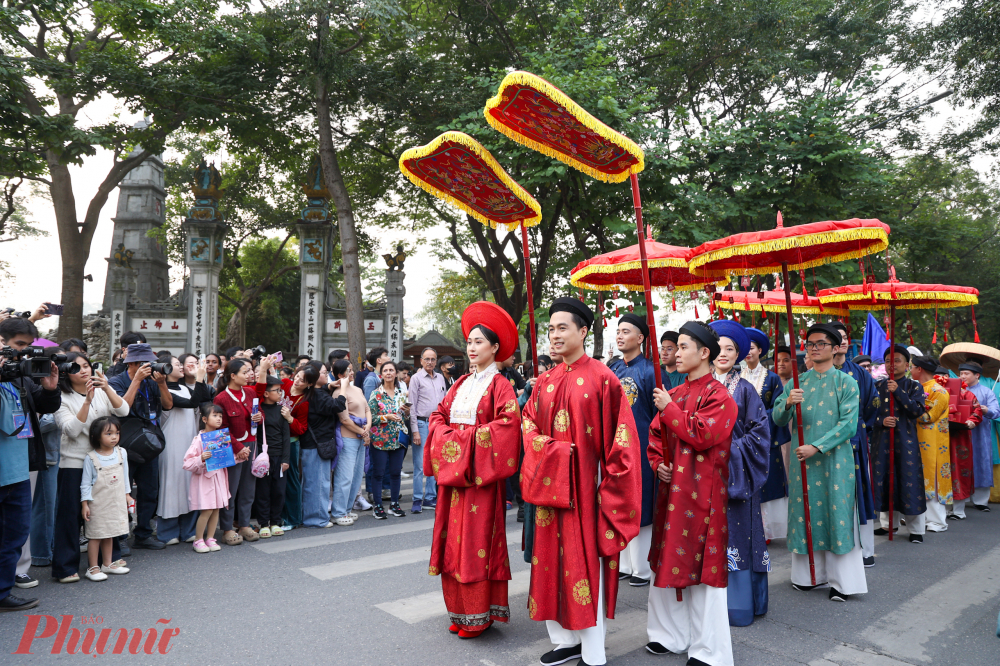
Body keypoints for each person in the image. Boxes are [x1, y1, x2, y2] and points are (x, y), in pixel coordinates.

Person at [522, 297, 640, 666]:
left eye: (562, 328)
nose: (554, 335)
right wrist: (551, 450)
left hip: (587, 496)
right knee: (550, 567)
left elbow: (622, 443)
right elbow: (527, 424)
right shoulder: (544, 381)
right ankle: (565, 640)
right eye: (550, 328)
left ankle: (592, 649)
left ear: (583, 332)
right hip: (549, 493)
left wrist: (609, 495)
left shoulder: (603, 379)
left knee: (583, 567)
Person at [425, 302, 521, 638]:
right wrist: (452, 439)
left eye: (479, 341)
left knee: (476, 544)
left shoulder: (500, 386)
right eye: (469, 341)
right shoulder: (460, 383)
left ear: (495, 348)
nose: (471, 347)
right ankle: (460, 611)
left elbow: (508, 427)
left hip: (480, 479)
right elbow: (437, 416)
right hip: (455, 480)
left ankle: (479, 615)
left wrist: (462, 443)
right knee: (453, 543)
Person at [645, 320, 735, 665]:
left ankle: (710, 651)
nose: (676, 353)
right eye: (676, 346)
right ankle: (669, 636)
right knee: (666, 562)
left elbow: (702, 435)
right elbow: (656, 437)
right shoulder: (676, 392)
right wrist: (658, 465)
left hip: (703, 496)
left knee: (704, 573)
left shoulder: (720, 396)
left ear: (704, 352)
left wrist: (668, 408)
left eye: (683, 346)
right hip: (672, 493)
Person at [773, 323, 866, 602]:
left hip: (834, 460)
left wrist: (817, 446)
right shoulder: (797, 382)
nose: (814, 348)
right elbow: (777, 418)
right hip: (802, 463)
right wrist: (788, 401)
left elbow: (849, 425)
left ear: (835, 348)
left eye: (821, 343)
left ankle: (842, 583)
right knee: (805, 514)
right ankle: (808, 577)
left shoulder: (846, 382)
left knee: (836, 514)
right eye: (810, 344)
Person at [706, 320, 770, 627]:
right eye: (718, 347)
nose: (723, 353)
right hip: (703, 475)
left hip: (736, 475)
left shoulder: (745, 390)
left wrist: (728, 449)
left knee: (738, 535)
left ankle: (739, 606)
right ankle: (704, 608)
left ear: (739, 354)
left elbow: (760, 432)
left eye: (730, 348)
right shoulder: (697, 386)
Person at [52, 351, 129, 584]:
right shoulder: (61, 397)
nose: (84, 370)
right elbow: (71, 430)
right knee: (71, 516)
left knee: (106, 511)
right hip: (74, 463)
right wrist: (86, 401)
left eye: (86, 365)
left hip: (106, 462)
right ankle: (65, 567)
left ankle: (108, 560)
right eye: (77, 368)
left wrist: (106, 388)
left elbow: (123, 411)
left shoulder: (102, 390)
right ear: (66, 373)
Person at [0, 317, 61, 611]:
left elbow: (46, 406)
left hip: (18, 471)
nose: (24, 353)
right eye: (18, 345)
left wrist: (49, 388)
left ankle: (2, 592)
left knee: (13, 536)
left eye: (28, 346)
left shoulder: (22, 377)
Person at [607, 313, 658, 588]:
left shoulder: (650, 371)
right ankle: (624, 563)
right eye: (618, 331)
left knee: (643, 504)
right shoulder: (613, 370)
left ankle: (642, 567)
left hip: (642, 448)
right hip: (617, 447)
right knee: (621, 501)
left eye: (626, 331)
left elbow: (656, 414)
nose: (620, 335)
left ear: (640, 338)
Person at [107, 343, 174, 550]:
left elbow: (168, 405)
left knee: (149, 490)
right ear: (133, 364)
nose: (149, 366)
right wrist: (136, 381)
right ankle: (119, 538)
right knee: (121, 491)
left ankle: (143, 534)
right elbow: (121, 409)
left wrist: (162, 384)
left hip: (149, 443)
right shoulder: (116, 381)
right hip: (125, 443)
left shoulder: (153, 381)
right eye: (145, 363)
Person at [830, 322, 879, 567]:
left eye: (845, 336)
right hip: (824, 442)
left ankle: (865, 550)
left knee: (859, 493)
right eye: (838, 337)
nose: (844, 340)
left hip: (855, 442)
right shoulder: (818, 373)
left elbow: (872, 405)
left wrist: (861, 429)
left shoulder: (859, 373)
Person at [871, 345, 927, 543]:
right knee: (884, 481)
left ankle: (916, 530)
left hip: (906, 442)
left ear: (906, 364)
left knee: (908, 482)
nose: (891, 364)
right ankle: (888, 525)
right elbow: (868, 415)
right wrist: (881, 421)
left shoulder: (914, 386)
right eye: (888, 360)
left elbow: (917, 411)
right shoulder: (877, 386)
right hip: (882, 442)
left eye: (896, 360)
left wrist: (898, 393)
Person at [741, 327, 790, 543]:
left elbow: (777, 407)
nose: (748, 352)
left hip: (764, 437)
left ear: (760, 350)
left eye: (752, 348)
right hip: (741, 438)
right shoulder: (736, 377)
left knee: (767, 482)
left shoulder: (772, 379)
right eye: (745, 348)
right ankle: (746, 526)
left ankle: (766, 530)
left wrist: (758, 420)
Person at [156, 355, 210, 546]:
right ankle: (167, 531)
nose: (181, 367)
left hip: (190, 441)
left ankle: (189, 530)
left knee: (190, 484)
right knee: (171, 485)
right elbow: (191, 403)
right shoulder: (161, 389)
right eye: (177, 364)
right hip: (171, 442)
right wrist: (200, 379)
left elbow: (201, 401)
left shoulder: (186, 388)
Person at [212, 358, 262, 545]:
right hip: (232, 448)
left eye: (251, 371)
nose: (250, 374)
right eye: (245, 372)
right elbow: (220, 429)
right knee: (230, 490)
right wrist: (239, 448)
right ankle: (226, 529)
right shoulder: (221, 398)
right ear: (232, 376)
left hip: (251, 445)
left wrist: (259, 417)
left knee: (248, 489)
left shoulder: (250, 392)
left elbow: (259, 415)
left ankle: (244, 525)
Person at [80, 416, 132, 582]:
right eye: (109, 433)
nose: (114, 437)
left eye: (116, 433)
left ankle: (107, 563)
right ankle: (93, 567)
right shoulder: (91, 457)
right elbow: (85, 483)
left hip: (115, 499)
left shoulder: (121, 452)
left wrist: (127, 495)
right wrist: (85, 504)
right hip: (98, 503)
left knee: (110, 532)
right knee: (96, 534)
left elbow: (125, 476)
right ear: (96, 436)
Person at [300, 366, 347, 528]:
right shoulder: (317, 395)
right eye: (323, 373)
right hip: (316, 444)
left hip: (314, 444)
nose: (327, 375)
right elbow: (337, 406)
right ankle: (316, 519)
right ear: (313, 377)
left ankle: (313, 516)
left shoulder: (314, 392)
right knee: (318, 483)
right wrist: (344, 390)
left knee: (316, 482)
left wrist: (329, 386)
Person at [910, 356, 952, 532]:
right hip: (917, 439)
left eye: (912, 367)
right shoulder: (917, 388)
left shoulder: (939, 391)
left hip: (933, 441)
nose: (909, 370)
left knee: (932, 477)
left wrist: (907, 407)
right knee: (918, 477)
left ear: (920, 369)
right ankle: (920, 517)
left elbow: (928, 417)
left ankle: (937, 521)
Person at [183, 404, 231, 553]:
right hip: (205, 480)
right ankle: (198, 539)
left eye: (220, 416)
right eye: (215, 416)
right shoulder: (199, 439)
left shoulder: (221, 437)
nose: (218, 419)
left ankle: (210, 538)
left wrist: (239, 456)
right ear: (204, 419)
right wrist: (200, 458)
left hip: (218, 478)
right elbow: (187, 462)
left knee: (216, 508)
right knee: (207, 510)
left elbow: (227, 458)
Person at [330, 360, 370, 526]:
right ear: (340, 375)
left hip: (361, 437)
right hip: (348, 438)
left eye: (353, 370)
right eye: (349, 370)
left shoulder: (358, 389)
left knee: (355, 477)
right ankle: (338, 512)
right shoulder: (338, 392)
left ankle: (347, 509)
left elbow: (367, 410)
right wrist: (363, 432)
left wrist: (367, 427)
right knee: (344, 477)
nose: (353, 373)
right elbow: (345, 419)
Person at [408, 347, 446, 513]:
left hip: (438, 424)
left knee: (435, 462)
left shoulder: (440, 379)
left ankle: (430, 497)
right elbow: (412, 407)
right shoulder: (416, 379)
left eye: (432, 359)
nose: (430, 362)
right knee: (419, 464)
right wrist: (415, 430)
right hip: (422, 424)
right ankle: (417, 498)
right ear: (421, 361)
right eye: (427, 359)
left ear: (436, 361)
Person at [253, 375, 291, 537]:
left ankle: (276, 521)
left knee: (279, 491)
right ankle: (263, 523)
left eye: (281, 390)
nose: (281, 393)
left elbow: (286, 437)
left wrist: (285, 459)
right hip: (263, 459)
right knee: (263, 491)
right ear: (266, 393)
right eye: (277, 390)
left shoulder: (281, 410)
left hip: (279, 457)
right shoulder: (258, 410)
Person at [958, 362, 999, 512]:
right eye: (961, 373)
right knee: (961, 463)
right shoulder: (956, 390)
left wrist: (986, 409)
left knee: (981, 463)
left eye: (966, 373)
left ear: (977, 375)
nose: (963, 376)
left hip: (980, 434)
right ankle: (961, 497)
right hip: (960, 433)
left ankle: (981, 501)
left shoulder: (987, 392)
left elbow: (996, 412)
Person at [368, 361, 406, 520]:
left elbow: (403, 417)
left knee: (396, 473)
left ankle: (394, 504)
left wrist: (407, 412)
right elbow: (370, 417)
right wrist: (386, 417)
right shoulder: (376, 394)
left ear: (396, 373)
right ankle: (377, 505)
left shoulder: (401, 393)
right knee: (379, 473)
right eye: (386, 370)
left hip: (398, 439)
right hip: (380, 439)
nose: (389, 373)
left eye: (392, 370)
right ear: (381, 374)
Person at [280, 363, 317, 529]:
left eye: (303, 380)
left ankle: (293, 518)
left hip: (291, 443)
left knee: (292, 480)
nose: (297, 381)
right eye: (297, 376)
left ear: (309, 384)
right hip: (274, 440)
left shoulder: (304, 402)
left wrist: (289, 418)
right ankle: (279, 516)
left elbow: (301, 429)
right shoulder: (285, 384)